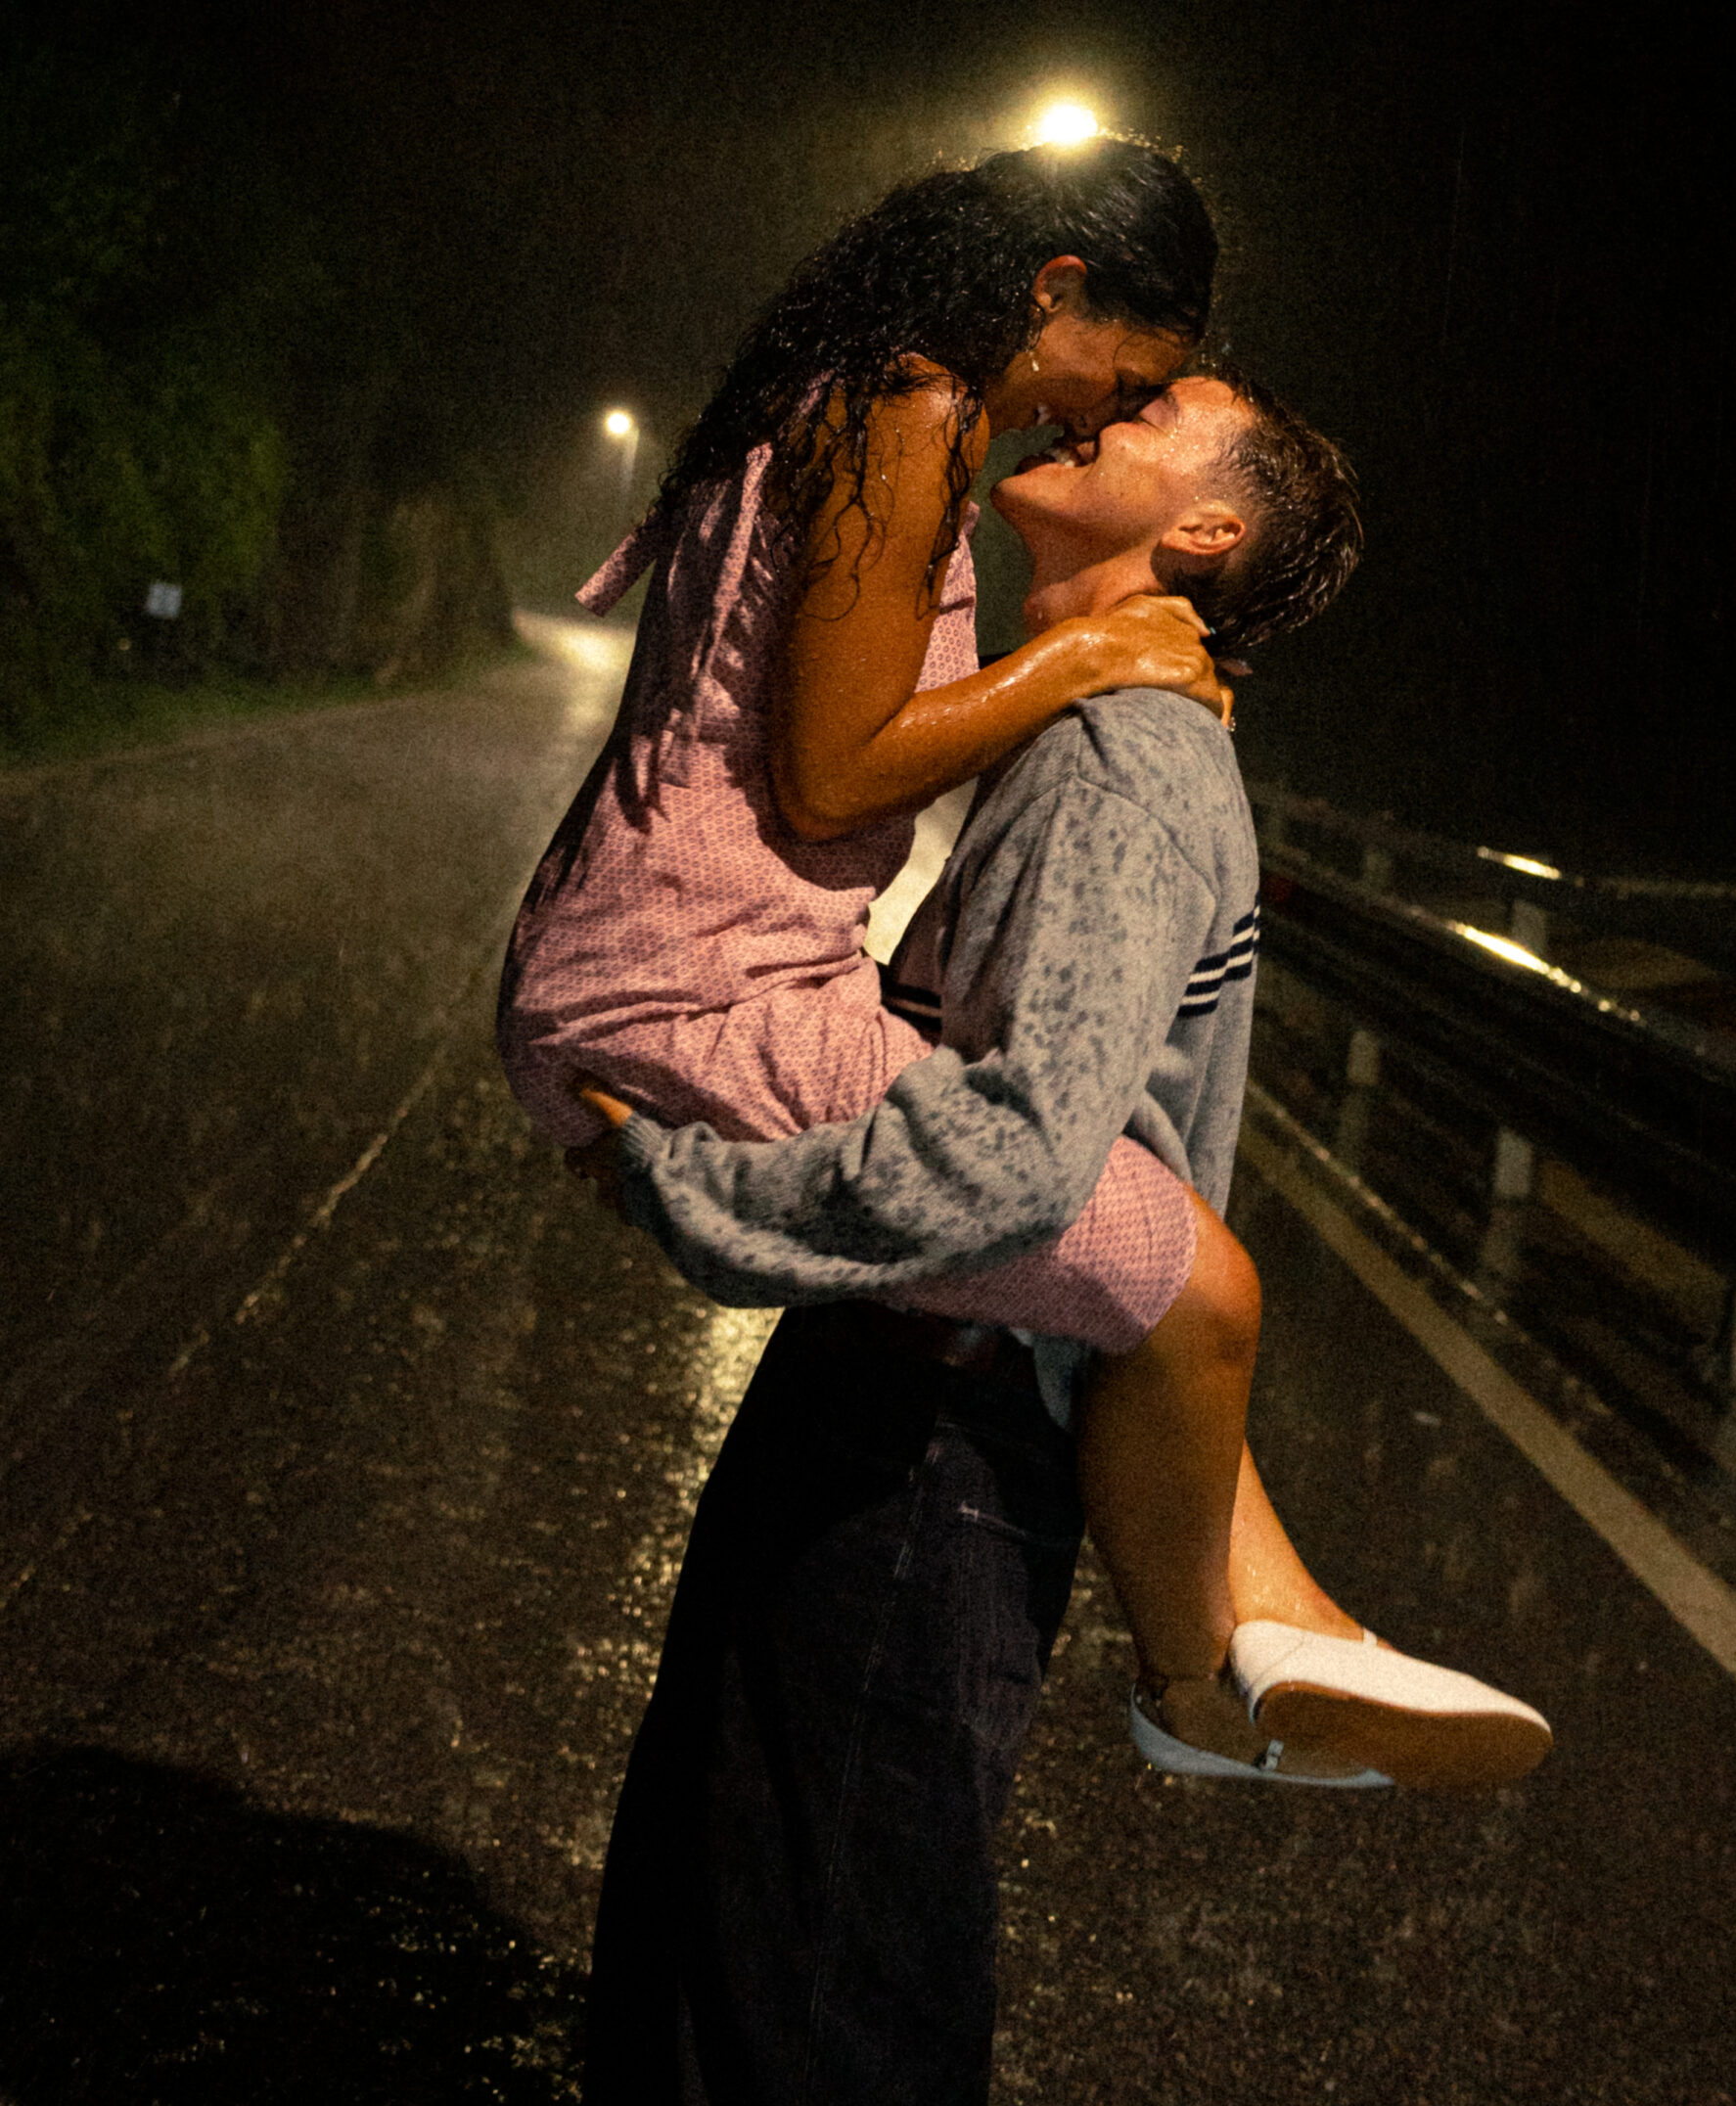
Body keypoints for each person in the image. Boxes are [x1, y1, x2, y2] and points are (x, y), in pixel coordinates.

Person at [575, 371, 1552, 2101]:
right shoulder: (1083, 722)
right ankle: (1250, 1623)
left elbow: (1027, 1148)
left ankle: (1243, 1629)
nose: (1109, 400)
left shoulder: (1125, 759)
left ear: (1204, 534)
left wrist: (693, 1189)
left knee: (812, 1981)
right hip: (926, 1388)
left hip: (934, 1429)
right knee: (734, 1913)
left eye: (1168, 410)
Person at [499, 141, 1409, 1770]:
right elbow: (837, 775)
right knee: (1196, 1278)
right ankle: (1201, 1684)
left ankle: (1279, 1629)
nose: (1085, 417)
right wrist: (1086, 661)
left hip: (692, 965)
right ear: (1053, 291)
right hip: (693, 986)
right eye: (1112, 379)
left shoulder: (859, 384)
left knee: (1147, 1253)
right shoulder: (908, 410)